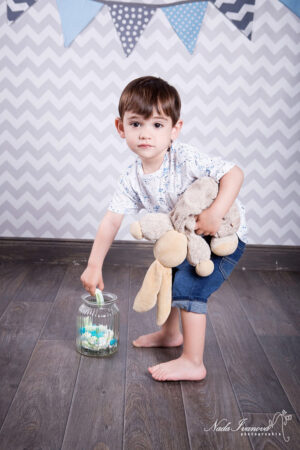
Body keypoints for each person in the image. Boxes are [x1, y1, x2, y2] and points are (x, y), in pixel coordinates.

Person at [80, 75, 247, 382]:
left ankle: (193, 361)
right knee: (169, 272)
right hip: (186, 239)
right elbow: (111, 221)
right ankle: (171, 334)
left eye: (157, 125)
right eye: (136, 124)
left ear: (175, 130)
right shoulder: (131, 177)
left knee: (191, 288)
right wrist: (94, 265)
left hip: (221, 234)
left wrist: (214, 214)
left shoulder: (184, 158)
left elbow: (234, 173)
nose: (146, 134)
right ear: (121, 128)